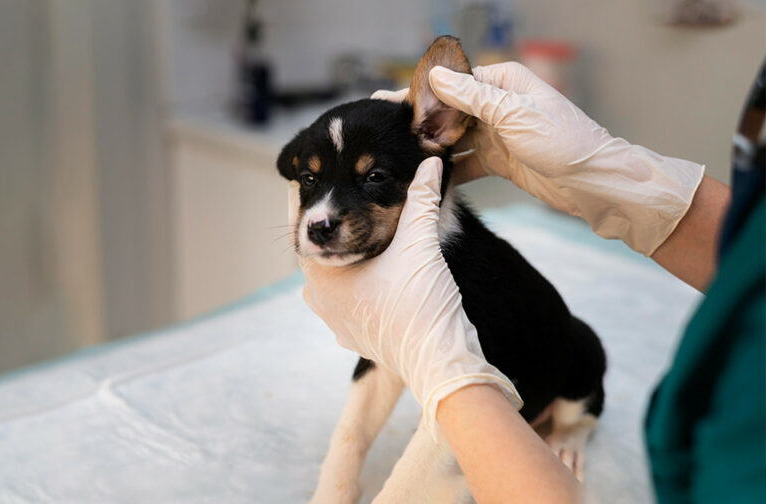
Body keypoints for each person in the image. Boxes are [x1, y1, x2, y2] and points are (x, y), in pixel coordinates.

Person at [295, 60, 764, 503]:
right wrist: (622, 182)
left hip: (551, 387)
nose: (323, 214)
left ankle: (577, 423)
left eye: (373, 177)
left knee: (581, 352)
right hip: (697, 432)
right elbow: (379, 371)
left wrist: (453, 381)